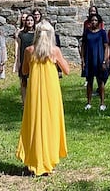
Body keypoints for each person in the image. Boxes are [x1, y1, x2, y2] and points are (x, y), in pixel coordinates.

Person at [16, 21, 70, 176]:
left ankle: (34, 160)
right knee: (51, 122)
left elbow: (24, 70)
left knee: (34, 121)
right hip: (51, 91)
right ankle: (49, 161)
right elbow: (66, 70)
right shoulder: (55, 51)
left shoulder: (29, 51)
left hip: (34, 91)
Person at [81, 13, 109, 111]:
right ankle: (88, 102)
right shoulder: (87, 32)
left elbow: (106, 47)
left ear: (99, 22)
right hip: (89, 59)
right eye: (92, 20)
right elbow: (83, 46)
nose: (94, 22)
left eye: (96, 20)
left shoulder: (102, 33)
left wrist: (105, 60)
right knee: (89, 81)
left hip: (99, 58)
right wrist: (83, 60)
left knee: (100, 81)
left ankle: (102, 103)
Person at [14, 13, 36, 106]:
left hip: (34, 60)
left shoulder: (36, 34)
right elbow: (19, 48)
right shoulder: (22, 34)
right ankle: (24, 103)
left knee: (33, 81)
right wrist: (18, 61)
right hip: (23, 59)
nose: (29, 22)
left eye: (31, 20)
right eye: (28, 20)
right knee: (23, 81)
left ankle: (33, 102)